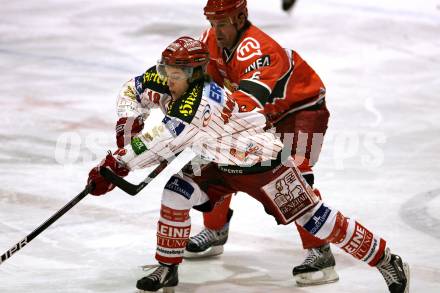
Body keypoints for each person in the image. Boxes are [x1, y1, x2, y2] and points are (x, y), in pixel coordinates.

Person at [87, 36, 409, 293]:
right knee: (176, 191)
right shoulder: (173, 83)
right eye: (166, 72)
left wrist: (116, 166)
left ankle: (385, 259)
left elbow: (160, 141)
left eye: (174, 75)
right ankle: (167, 268)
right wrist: (126, 123)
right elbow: (135, 88)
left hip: (264, 165)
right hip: (219, 162)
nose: (167, 81)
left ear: (194, 74)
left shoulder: (200, 104)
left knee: (317, 220)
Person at [185, 0, 334, 286]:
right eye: (212, 23)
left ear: (241, 17)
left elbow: (244, 105)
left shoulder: (259, 50)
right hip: (261, 112)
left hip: (301, 109)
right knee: (216, 154)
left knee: (294, 175)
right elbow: (206, 90)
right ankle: (215, 231)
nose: (216, 31)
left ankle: (320, 251)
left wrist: (213, 124)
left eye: (223, 23)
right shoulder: (210, 41)